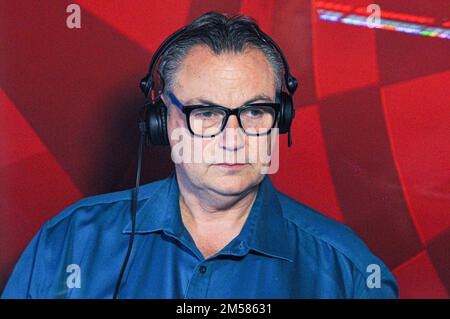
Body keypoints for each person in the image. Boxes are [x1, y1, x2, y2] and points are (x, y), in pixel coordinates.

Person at [1, 12, 397, 299]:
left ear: (281, 119)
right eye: (205, 113)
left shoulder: (350, 274)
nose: (233, 137)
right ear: (162, 122)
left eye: (255, 111)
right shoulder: (69, 241)